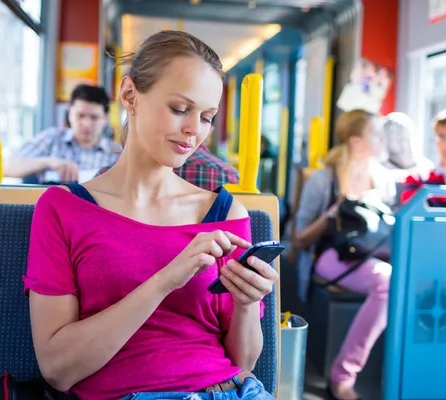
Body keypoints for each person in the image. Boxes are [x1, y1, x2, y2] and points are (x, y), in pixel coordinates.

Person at [23, 30, 278, 400]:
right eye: (179, 109)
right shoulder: (63, 209)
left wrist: (247, 302)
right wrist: (164, 280)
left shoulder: (224, 213)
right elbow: (58, 369)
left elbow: (244, 361)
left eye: (207, 117)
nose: (194, 131)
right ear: (129, 95)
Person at [293, 109, 395, 400]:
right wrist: (332, 214)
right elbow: (298, 240)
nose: (382, 139)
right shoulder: (323, 181)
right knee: (386, 282)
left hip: (373, 255)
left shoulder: (382, 180)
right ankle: (342, 375)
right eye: (375, 133)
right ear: (355, 141)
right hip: (330, 255)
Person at [5, 84, 121, 184]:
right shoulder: (52, 139)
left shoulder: (116, 153)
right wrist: (48, 162)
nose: (86, 123)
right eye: (80, 116)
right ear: (70, 113)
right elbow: (6, 167)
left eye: (94, 117)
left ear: (106, 118)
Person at [96, 125, 239, 191]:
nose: (193, 128)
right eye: (177, 109)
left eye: (205, 118)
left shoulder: (104, 181)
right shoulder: (229, 177)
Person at [381, 112, 433, 181]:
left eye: (405, 138)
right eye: (396, 138)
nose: (402, 144)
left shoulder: (427, 167)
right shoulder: (379, 170)